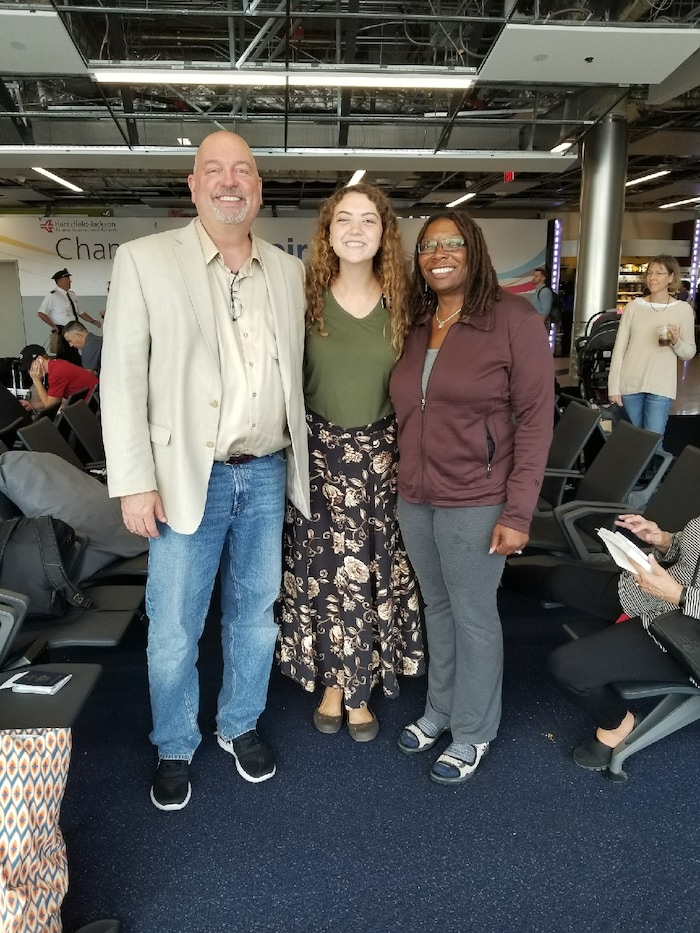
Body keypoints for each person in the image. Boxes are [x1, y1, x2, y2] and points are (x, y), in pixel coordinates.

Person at [99, 130, 309, 811]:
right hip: (188, 475)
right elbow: (123, 378)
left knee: (255, 616)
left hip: (267, 468)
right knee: (173, 625)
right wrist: (132, 479)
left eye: (242, 170)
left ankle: (239, 722)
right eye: (213, 170)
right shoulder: (144, 260)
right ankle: (174, 742)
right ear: (192, 186)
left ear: (257, 187)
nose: (229, 181)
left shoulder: (287, 271)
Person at [389, 210, 554, 784]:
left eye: (452, 242)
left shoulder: (514, 319)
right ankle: (440, 710)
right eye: (428, 246)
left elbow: (536, 421)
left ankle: (474, 731)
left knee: (474, 614)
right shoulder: (417, 320)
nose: (439, 253)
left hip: (479, 497)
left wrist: (518, 511)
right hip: (417, 495)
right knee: (437, 607)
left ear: (474, 251)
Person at [277, 183, 424, 742]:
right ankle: (332, 686)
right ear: (328, 232)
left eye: (369, 219)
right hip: (317, 457)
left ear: (384, 232)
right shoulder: (303, 298)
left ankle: (356, 690)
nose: (356, 229)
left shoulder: (406, 303)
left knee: (371, 576)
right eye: (345, 219)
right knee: (324, 579)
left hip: (384, 459)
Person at [547, 512, 700, 772]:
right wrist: (663, 540)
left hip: (685, 637)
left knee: (568, 667)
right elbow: (689, 553)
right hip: (656, 596)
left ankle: (618, 725)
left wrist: (681, 596)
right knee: (559, 579)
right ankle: (500, 576)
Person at [608, 255, 695, 439]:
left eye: (659, 273)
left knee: (652, 443)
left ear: (671, 277)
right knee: (633, 443)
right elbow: (620, 348)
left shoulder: (683, 310)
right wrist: (613, 386)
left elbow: (688, 353)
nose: (652, 277)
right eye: (650, 273)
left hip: (661, 385)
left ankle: (656, 469)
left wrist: (676, 341)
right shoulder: (633, 307)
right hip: (630, 384)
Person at [37, 269, 101, 364]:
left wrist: (93, 321)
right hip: (62, 330)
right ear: (60, 281)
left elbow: (80, 312)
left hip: (74, 329)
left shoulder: (71, 294)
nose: (70, 281)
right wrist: (53, 326)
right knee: (66, 356)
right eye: (67, 278)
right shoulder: (52, 295)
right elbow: (41, 313)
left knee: (75, 352)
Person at [17, 344, 98, 411]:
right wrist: (31, 405)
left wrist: (36, 380)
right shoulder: (56, 365)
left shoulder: (56, 372)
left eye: (29, 367)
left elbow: (49, 405)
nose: (30, 372)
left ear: (39, 359)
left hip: (95, 405)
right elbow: (53, 400)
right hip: (93, 400)